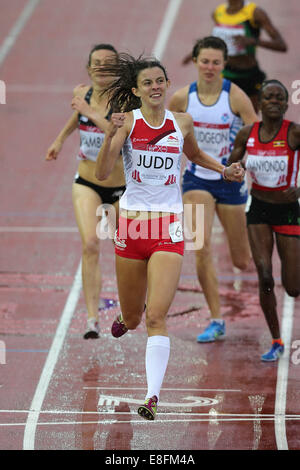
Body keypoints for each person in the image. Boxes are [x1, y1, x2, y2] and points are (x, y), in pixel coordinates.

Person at [87, 53, 244, 420]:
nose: (156, 87)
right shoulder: (128, 124)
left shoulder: (182, 122)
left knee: (156, 314)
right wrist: (111, 132)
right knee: (135, 317)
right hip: (132, 226)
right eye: (148, 83)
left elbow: (196, 155)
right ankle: (126, 319)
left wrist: (225, 169)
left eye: (160, 81)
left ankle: (152, 396)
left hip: (169, 227)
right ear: (136, 90)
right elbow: (103, 171)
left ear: (167, 83)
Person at [169, 36, 258, 343]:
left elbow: (256, 134)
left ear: (224, 65)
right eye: (204, 61)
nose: (209, 67)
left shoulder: (235, 97)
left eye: (216, 62)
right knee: (201, 248)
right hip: (196, 180)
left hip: (230, 181)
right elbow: (164, 136)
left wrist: (243, 165)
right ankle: (216, 319)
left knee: (241, 261)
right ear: (195, 61)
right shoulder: (181, 99)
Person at [45, 44, 126, 339]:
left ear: (117, 69)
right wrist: (59, 140)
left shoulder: (127, 100)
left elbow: (114, 132)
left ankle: (130, 306)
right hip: (86, 182)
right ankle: (92, 319)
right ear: (89, 68)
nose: (102, 67)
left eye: (109, 63)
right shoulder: (83, 94)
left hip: (121, 187)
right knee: (91, 243)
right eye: (97, 63)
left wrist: (88, 110)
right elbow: (76, 118)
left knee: (126, 248)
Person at [227, 79, 300, 361]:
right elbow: (231, 165)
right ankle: (277, 340)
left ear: (285, 104)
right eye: (267, 97)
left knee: (293, 288)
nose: (272, 101)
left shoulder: (293, 133)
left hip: (289, 210)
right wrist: (233, 169)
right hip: (258, 209)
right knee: (265, 276)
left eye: (278, 97)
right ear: (259, 102)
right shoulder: (248, 133)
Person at [182, 0, 287, 112]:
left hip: (248, 76)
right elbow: (218, 38)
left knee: (249, 119)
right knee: (223, 116)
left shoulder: (254, 13)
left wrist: (253, 41)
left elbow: (281, 45)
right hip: (225, 74)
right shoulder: (218, 12)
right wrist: (197, 50)